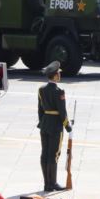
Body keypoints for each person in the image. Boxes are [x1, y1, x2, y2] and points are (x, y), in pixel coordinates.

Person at [37, 62, 71, 192]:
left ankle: (47, 184)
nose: (60, 75)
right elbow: (62, 112)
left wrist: (43, 122)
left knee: (45, 154)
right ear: (55, 76)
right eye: (59, 73)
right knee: (54, 155)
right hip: (56, 125)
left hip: (45, 123)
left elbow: (40, 109)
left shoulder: (41, 89)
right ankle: (53, 183)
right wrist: (68, 126)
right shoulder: (59, 91)